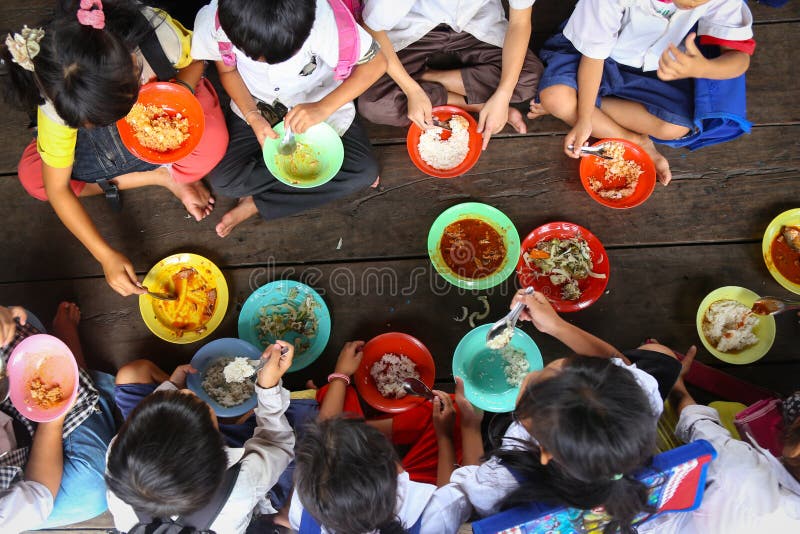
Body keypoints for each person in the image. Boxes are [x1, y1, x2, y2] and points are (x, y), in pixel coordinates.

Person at [1, 0, 228, 297]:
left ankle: (168, 167)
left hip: (163, 105)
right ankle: (162, 176)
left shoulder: (158, 37)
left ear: (131, 66)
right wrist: (104, 255)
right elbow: (56, 189)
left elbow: (197, 62)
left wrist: (178, 94)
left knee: (212, 145)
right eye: (93, 122)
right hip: (97, 153)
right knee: (34, 179)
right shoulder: (56, 101)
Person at [449, 290, 685, 533]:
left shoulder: (500, 481)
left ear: (545, 451)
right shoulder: (643, 398)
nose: (529, 376)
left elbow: (471, 493)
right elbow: (621, 368)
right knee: (662, 355)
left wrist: (469, 424)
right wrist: (556, 326)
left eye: (531, 388)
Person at [190, 0, 387, 238]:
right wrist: (253, 117)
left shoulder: (328, 22)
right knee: (225, 182)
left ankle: (257, 203)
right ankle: (289, 192)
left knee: (364, 171)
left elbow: (376, 64)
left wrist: (323, 108)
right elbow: (228, 71)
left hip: (319, 102)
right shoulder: (213, 23)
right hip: (257, 103)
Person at [530, 0, 755, 185]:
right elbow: (593, 57)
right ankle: (635, 139)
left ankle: (571, 104)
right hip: (590, 56)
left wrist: (703, 68)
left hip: (654, 69)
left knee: (674, 128)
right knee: (556, 99)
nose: (689, 8)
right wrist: (585, 119)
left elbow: (739, 58)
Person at [284, 342, 484, 533]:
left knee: (336, 394)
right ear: (396, 468)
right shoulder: (436, 518)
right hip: (427, 499)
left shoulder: (302, 510)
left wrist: (340, 376)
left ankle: (381, 422)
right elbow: (468, 494)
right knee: (456, 411)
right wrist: (464, 428)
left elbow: (326, 433)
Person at [105, 342, 295, 533]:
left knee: (131, 373)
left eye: (178, 396)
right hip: (249, 481)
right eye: (204, 407)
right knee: (298, 417)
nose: (187, 390)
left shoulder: (118, 458)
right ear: (220, 449)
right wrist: (267, 387)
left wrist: (171, 387)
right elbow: (277, 442)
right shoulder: (240, 486)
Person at [637, 355, 800, 533]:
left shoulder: (740, 467)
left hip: (644, 518)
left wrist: (677, 384)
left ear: (796, 448)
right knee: (730, 410)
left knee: (655, 357)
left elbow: (696, 422)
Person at [359, 0, 543, 149]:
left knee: (528, 79)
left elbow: (520, 22)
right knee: (373, 104)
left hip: (476, 26)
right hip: (414, 29)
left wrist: (503, 94)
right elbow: (372, 28)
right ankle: (477, 105)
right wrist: (411, 90)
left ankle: (427, 77)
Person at [0, 302, 117, 531]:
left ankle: (68, 359)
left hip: (8, 414)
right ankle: (73, 360)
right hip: (27, 475)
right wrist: (53, 418)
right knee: (93, 485)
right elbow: (38, 489)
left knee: (20, 336)